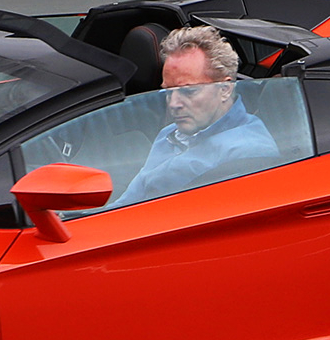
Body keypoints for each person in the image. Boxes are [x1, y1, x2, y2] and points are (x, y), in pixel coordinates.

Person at [115, 26, 279, 205]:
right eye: (168, 92)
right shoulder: (169, 134)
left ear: (224, 89)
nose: (173, 104)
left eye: (188, 91)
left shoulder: (248, 152)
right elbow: (128, 202)